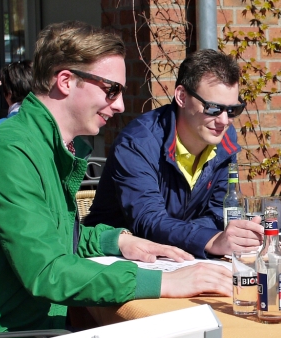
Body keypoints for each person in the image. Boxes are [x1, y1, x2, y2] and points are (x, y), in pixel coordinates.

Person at [0, 21, 232, 338]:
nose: (119, 105)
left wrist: (118, 241)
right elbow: (48, 271)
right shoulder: (12, 152)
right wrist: (165, 282)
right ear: (66, 81)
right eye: (111, 90)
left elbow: (52, 234)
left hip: (25, 334)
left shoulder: (44, 146)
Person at [85, 50, 263, 258]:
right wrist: (208, 239)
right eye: (213, 108)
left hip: (180, 258)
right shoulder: (138, 143)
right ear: (182, 97)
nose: (224, 121)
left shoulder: (223, 138)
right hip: (114, 260)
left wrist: (198, 236)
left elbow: (218, 212)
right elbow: (148, 221)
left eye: (233, 110)